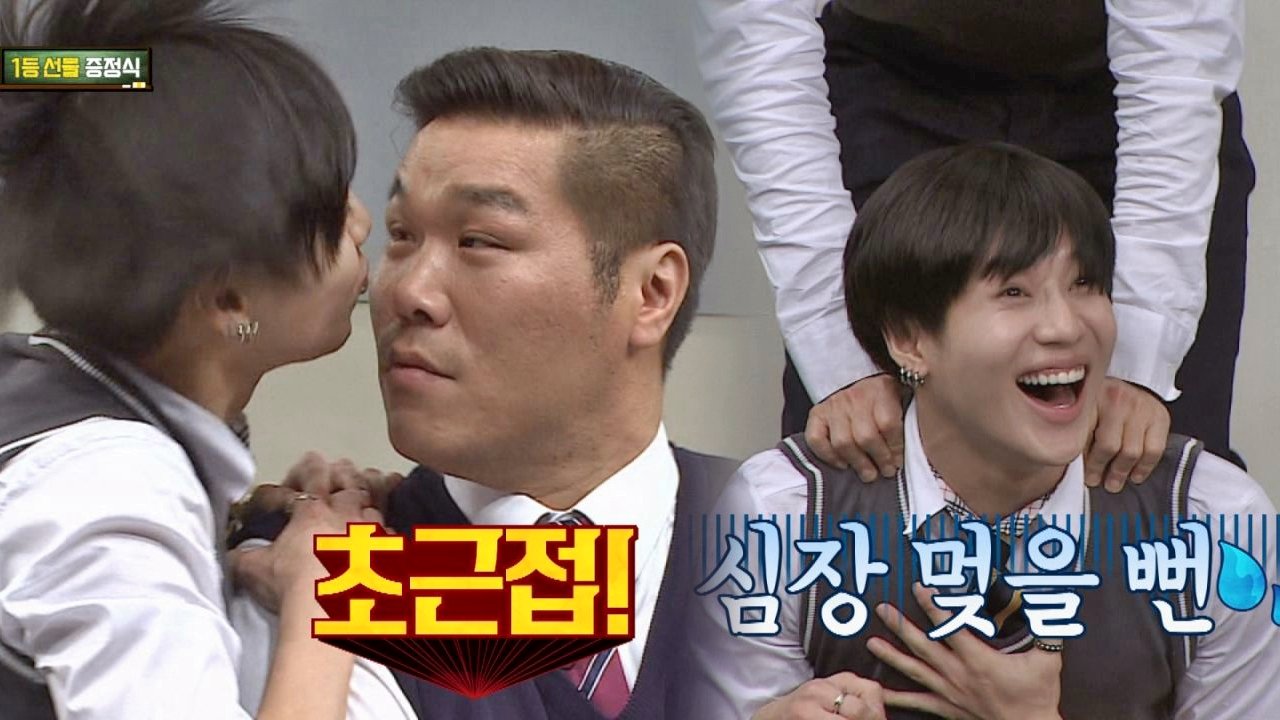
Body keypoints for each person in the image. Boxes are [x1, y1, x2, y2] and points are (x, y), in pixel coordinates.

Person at [692, 143, 1279, 719]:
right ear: (910, 339)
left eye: (1084, 285)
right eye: (1014, 292)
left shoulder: (1215, 524)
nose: (1064, 326)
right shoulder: (779, 517)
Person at [234, 46, 735, 720]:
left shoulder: (802, 533)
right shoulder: (306, 566)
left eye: (478, 241)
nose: (406, 291)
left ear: (651, 292)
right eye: (402, 235)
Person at [695, 0, 1253, 486]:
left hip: (1127, 95)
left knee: (1147, 467)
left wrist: (1140, 359)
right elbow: (757, 39)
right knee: (860, 458)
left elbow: (1174, 60)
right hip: (887, 76)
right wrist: (840, 352)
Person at [0, 1, 378, 717]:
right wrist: (324, 596)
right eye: (327, 215)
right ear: (230, 301)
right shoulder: (111, 487)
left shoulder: (58, 409)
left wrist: (239, 524)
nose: (362, 222)